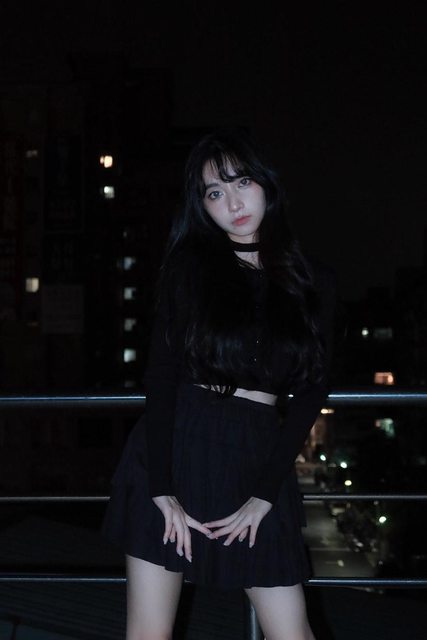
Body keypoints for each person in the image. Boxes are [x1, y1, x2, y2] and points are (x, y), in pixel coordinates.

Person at [102, 127, 336, 640]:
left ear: (266, 184)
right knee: (148, 633)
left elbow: (312, 392)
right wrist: (161, 489)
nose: (232, 203)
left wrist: (265, 494)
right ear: (202, 206)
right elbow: (161, 378)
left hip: (255, 454)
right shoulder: (189, 271)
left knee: (292, 632)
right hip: (175, 448)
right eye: (214, 192)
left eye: (242, 182)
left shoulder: (311, 279)